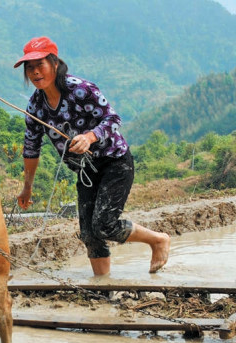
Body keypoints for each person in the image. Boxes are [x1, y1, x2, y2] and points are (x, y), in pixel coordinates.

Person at [14, 36, 170, 276]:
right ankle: (103, 287)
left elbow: (113, 119)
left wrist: (89, 137)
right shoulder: (36, 106)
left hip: (114, 162)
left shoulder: (80, 90)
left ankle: (158, 240)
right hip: (86, 171)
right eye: (30, 68)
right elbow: (31, 147)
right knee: (89, 234)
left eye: (40, 65)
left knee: (105, 225)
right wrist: (27, 186)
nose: (35, 73)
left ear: (55, 64)